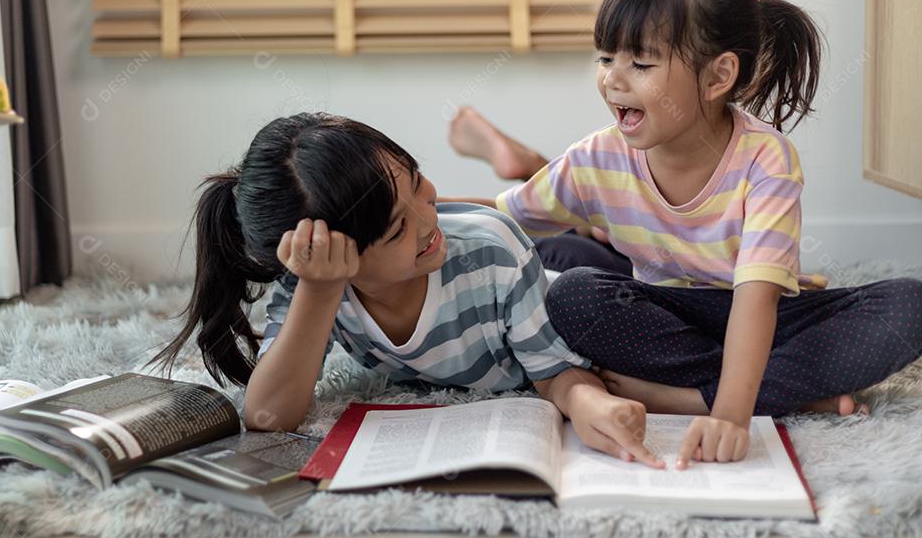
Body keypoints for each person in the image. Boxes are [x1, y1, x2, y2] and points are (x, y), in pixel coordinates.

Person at [450, 0, 922, 469]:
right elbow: (503, 216)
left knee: (909, 305)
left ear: (718, 77)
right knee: (572, 292)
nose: (613, 80)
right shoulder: (598, 156)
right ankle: (788, 392)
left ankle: (687, 396)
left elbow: (756, 300)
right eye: (606, 58)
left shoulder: (766, 159)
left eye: (641, 63)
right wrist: (423, 206)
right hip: (667, 313)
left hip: (759, 313)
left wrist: (728, 415)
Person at [149, 113, 666, 468]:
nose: (426, 217)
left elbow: (555, 373)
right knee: (473, 223)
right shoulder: (315, 284)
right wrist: (320, 292)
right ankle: (530, 183)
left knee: (607, 249)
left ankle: (538, 177)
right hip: (485, 254)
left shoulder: (492, 250)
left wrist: (589, 404)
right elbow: (267, 416)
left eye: (418, 181)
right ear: (334, 259)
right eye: (396, 228)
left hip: (548, 270)